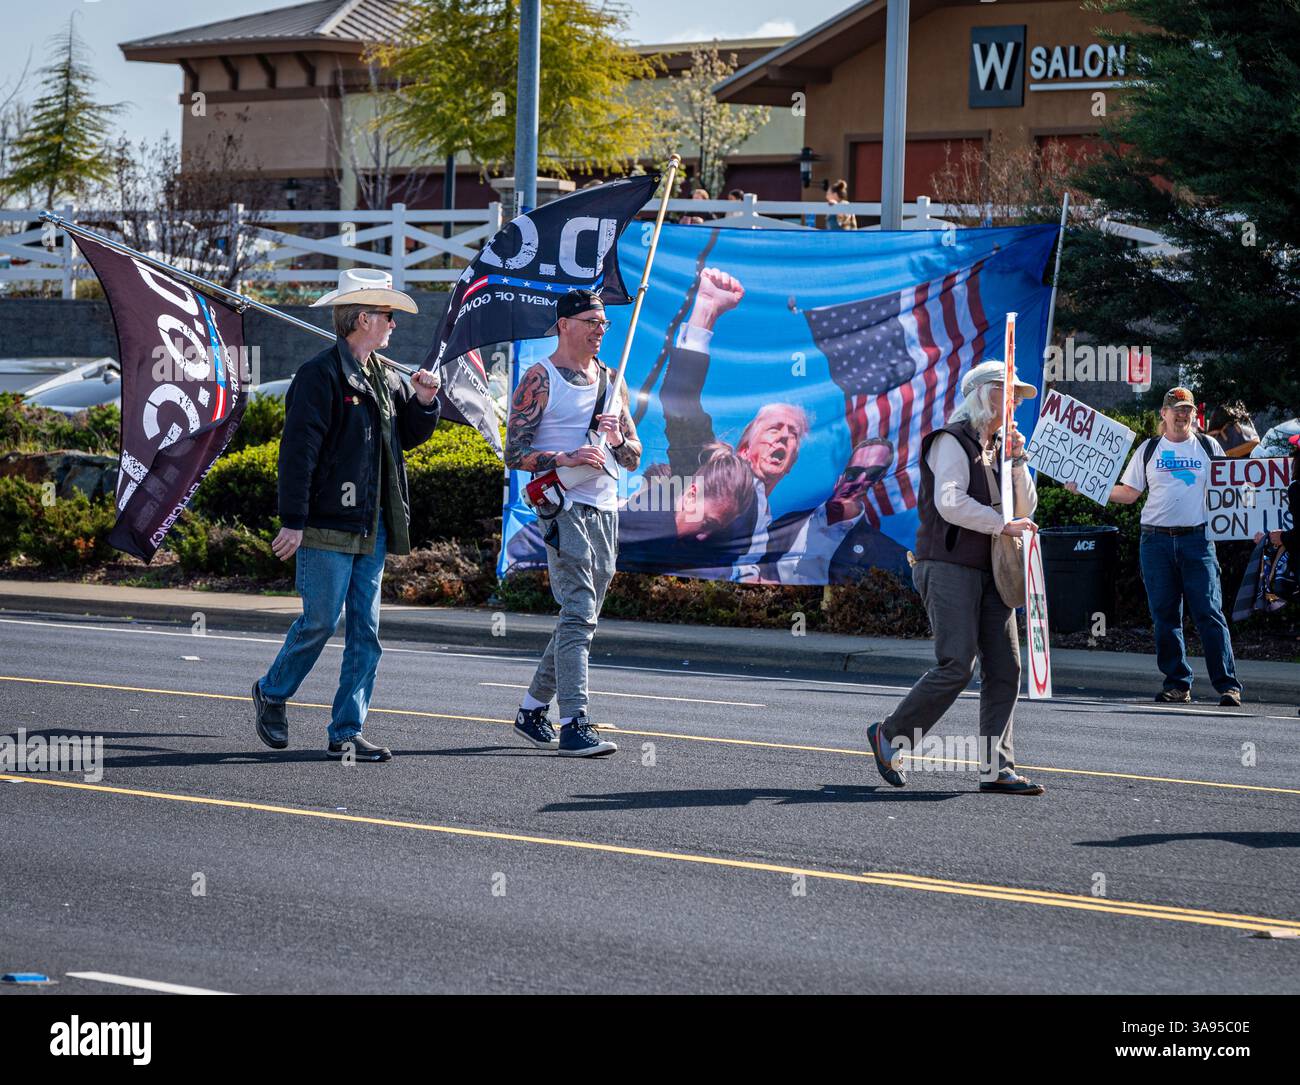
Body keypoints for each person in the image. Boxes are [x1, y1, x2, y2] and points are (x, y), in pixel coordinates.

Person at [252, 268, 443, 762]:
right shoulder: (320, 375)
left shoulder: (384, 374)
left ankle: (346, 730)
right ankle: (272, 692)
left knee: (367, 630)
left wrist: (424, 401)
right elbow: (298, 453)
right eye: (388, 315)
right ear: (362, 318)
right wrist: (293, 520)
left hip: (372, 525)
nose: (394, 325)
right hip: (326, 524)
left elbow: (405, 436)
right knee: (320, 621)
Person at [867, 360, 1045, 796]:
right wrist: (1000, 524)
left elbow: (1026, 506)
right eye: (1008, 394)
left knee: (1006, 666)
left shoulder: (1001, 445)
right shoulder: (952, 440)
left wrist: (1018, 460)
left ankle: (996, 768)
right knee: (957, 663)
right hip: (946, 565)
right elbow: (950, 503)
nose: (1014, 405)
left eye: (1017, 397)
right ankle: (890, 735)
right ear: (983, 394)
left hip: (990, 568)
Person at [505, 289, 642, 756]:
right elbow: (514, 452)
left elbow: (634, 456)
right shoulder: (539, 379)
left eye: (604, 323)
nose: (600, 330)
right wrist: (563, 455)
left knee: (579, 617)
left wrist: (619, 435)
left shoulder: (613, 380)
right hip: (562, 505)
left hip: (605, 507)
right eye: (591, 321)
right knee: (580, 609)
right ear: (564, 324)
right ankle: (574, 723)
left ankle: (529, 709)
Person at [1078, 387, 1242, 706]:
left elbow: (1230, 493)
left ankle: (1228, 686)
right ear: (1163, 415)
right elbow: (1128, 493)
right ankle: (1177, 684)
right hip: (1155, 542)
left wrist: (1255, 512)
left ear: (1194, 415)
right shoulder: (1149, 449)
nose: (1181, 414)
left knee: (1209, 612)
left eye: (1187, 410)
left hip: (1198, 541)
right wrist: (1087, 485)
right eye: (1175, 409)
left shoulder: (1209, 448)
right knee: (1164, 615)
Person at [659, 266, 809, 579]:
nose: (782, 438)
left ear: (794, 461)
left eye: (792, 434)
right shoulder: (712, 468)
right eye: (773, 429)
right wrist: (706, 311)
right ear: (743, 447)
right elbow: (679, 401)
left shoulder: (766, 514)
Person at [755, 438, 909, 584]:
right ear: (839, 480)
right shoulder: (787, 523)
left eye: (872, 475)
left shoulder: (891, 555)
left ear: (879, 484)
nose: (858, 482)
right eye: (853, 474)